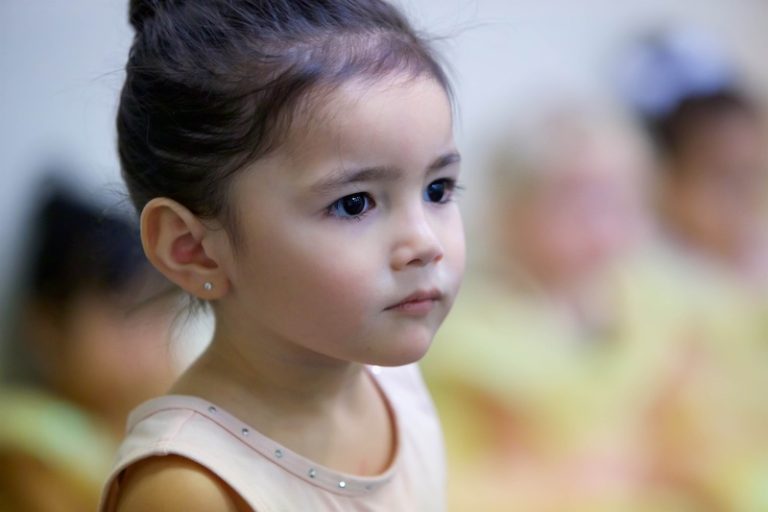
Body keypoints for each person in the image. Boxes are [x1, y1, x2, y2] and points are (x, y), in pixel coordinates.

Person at [100, 1, 465, 511]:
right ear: (193, 250)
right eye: (354, 203)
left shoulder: (395, 380)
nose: (426, 244)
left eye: (437, 189)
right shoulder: (189, 488)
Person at [0, 182, 178, 512]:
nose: (148, 343)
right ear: (47, 325)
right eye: (125, 314)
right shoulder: (25, 452)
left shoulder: (131, 438)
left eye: (160, 313)